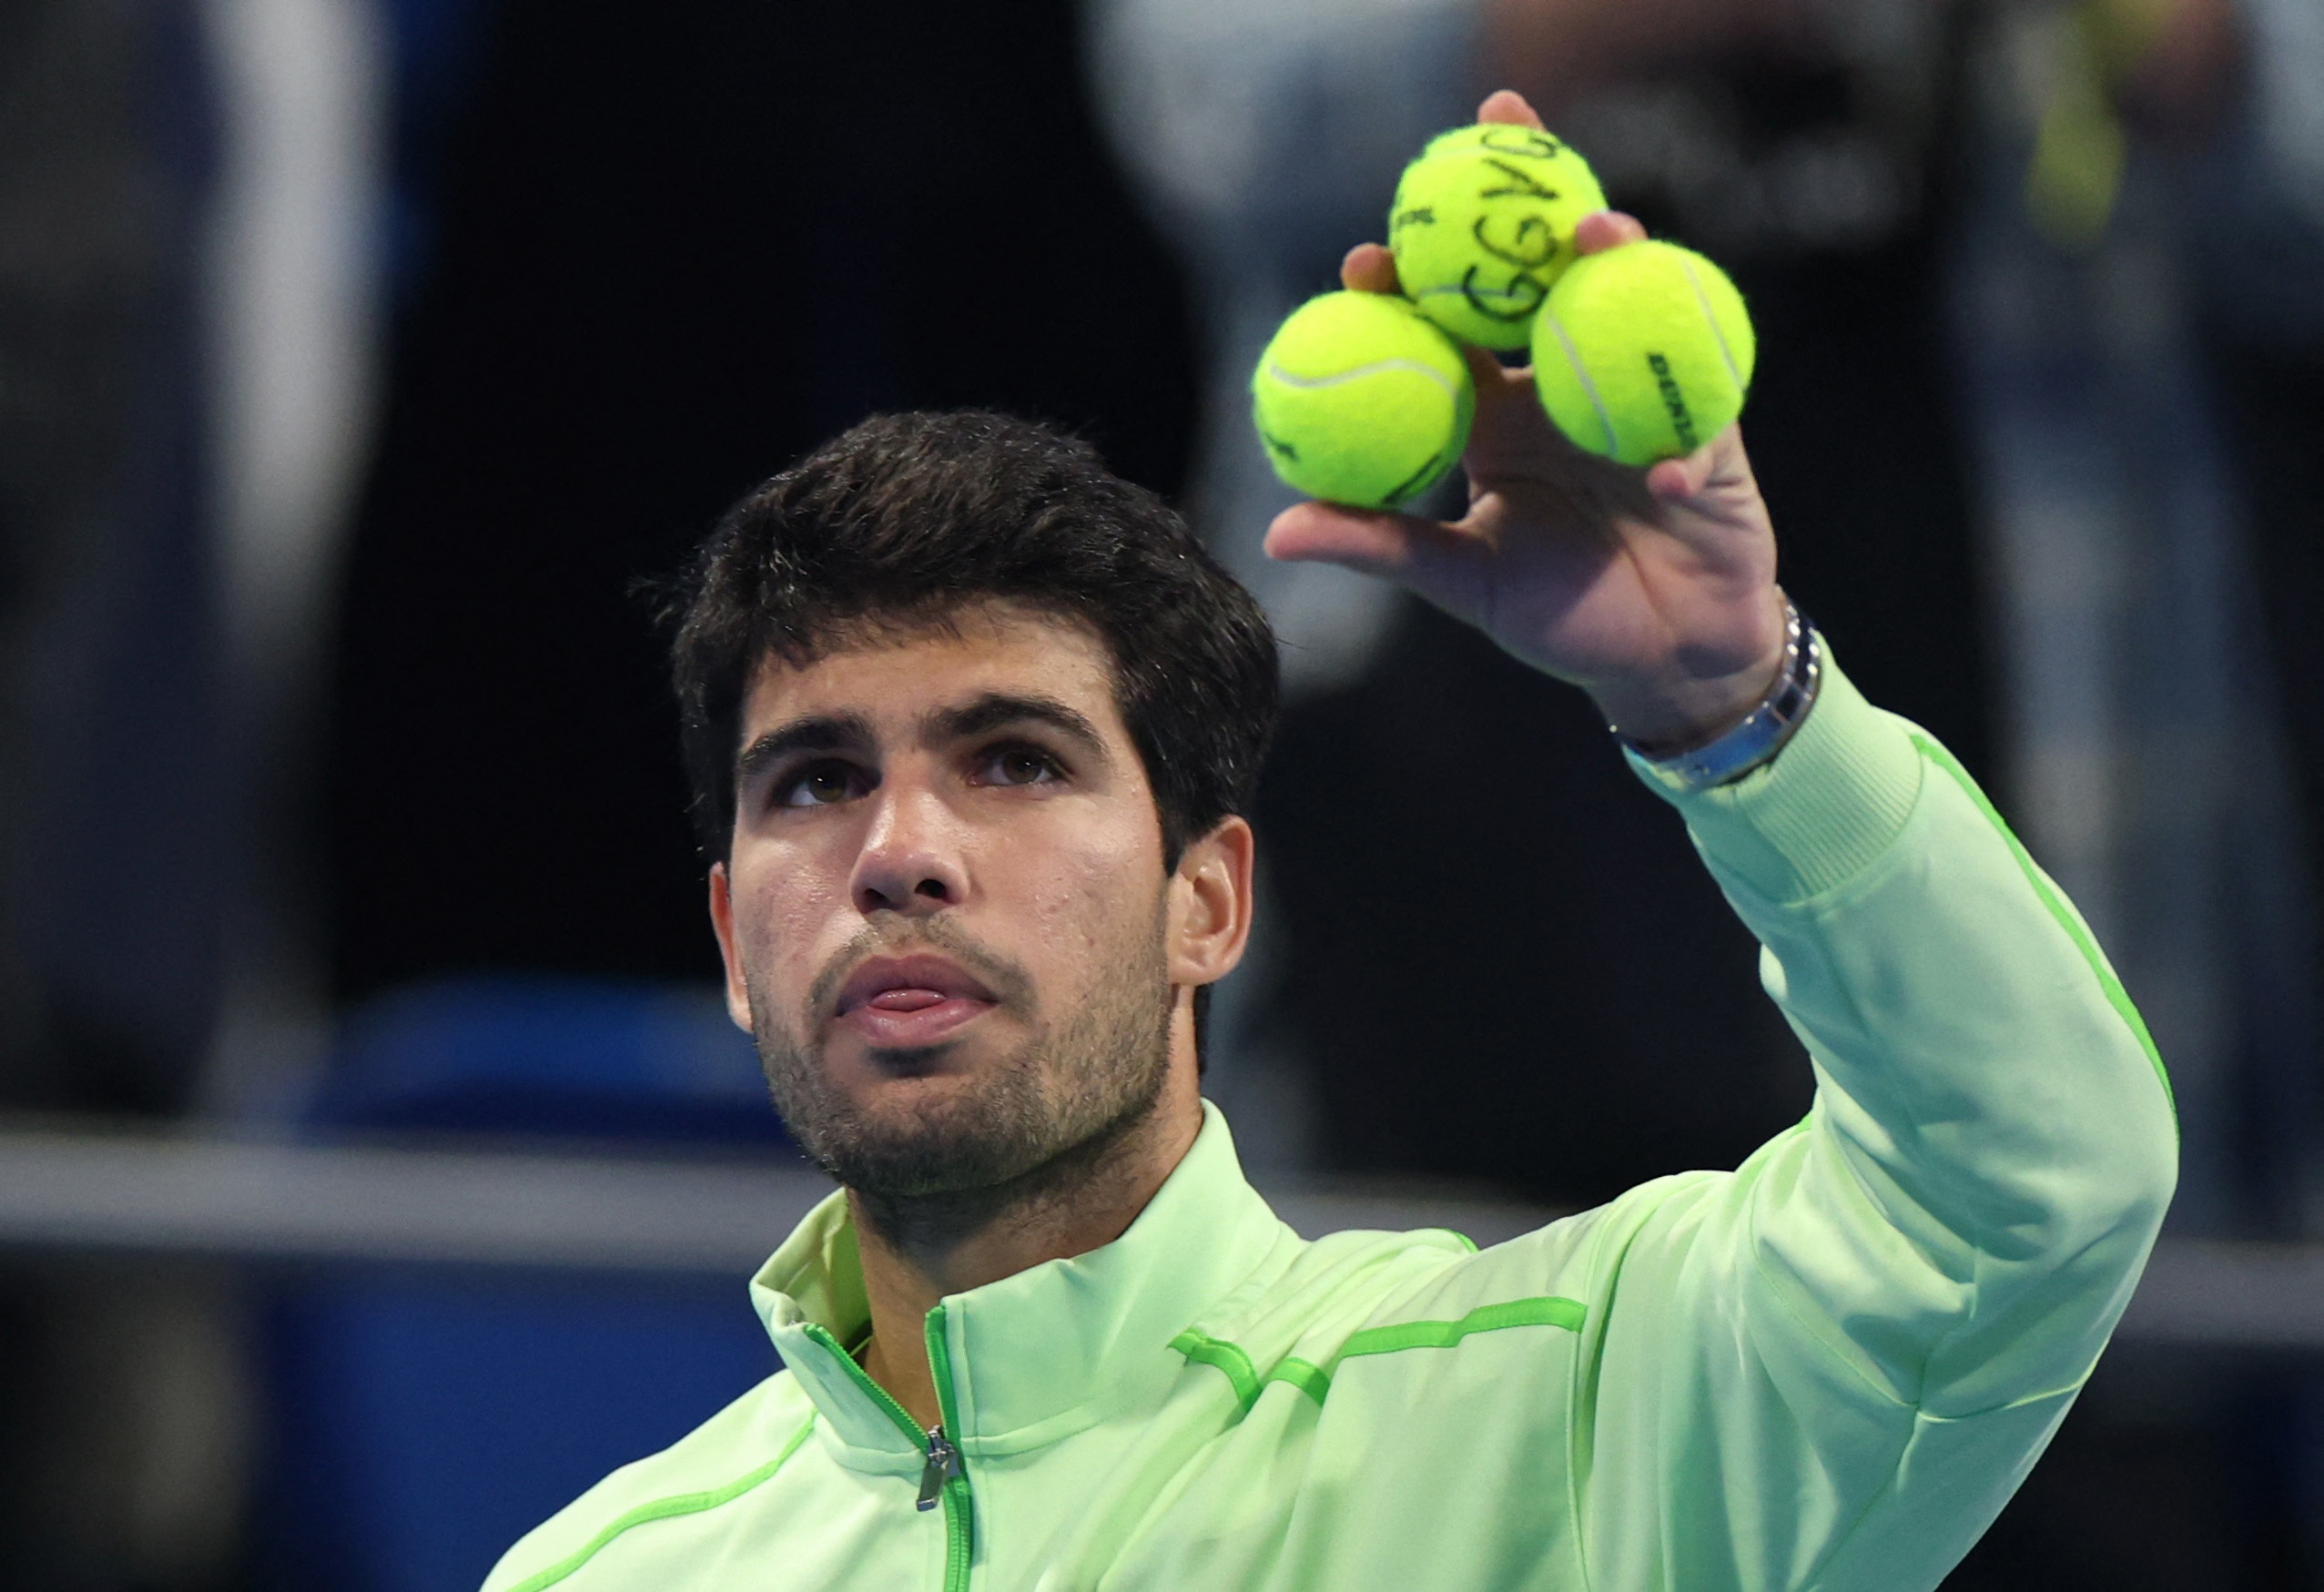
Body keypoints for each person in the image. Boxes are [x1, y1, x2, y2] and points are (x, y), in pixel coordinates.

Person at [482, 88, 2175, 1592]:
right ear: (727, 939)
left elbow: (2024, 1191)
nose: (899, 849)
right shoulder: (609, 1567)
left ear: (1206, 898)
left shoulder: (1560, 1410)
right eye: (813, 780)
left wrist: (1744, 706)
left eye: (1011, 760)